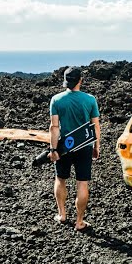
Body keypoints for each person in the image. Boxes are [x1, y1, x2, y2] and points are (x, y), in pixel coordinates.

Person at [48, 66, 101, 231]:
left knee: (60, 179)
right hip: (84, 145)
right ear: (80, 80)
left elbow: (54, 127)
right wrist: (96, 146)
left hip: (64, 146)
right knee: (82, 183)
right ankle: (79, 222)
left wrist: (53, 149)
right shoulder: (90, 99)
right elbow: (95, 126)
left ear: (65, 81)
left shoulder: (56, 100)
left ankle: (62, 215)